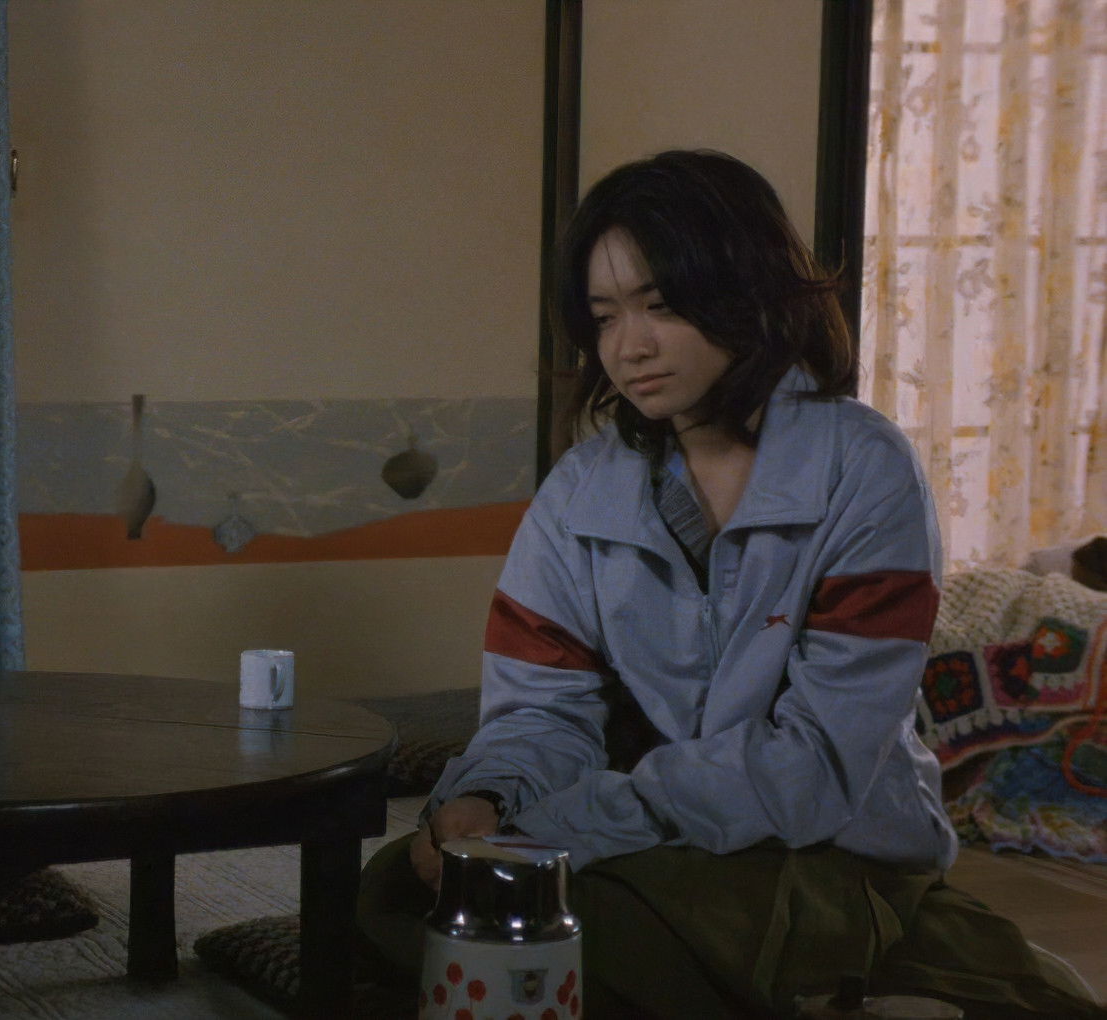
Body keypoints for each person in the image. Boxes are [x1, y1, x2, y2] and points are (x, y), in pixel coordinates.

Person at [356, 150, 1105, 1018]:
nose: (628, 346)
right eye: (603, 318)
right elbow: (538, 711)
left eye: (660, 306)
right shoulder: (581, 491)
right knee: (394, 889)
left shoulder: (859, 469)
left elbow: (817, 760)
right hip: (657, 836)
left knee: (576, 926)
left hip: (826, 846)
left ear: (745, 293)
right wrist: (484, 803)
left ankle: (884, 964)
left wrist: (568, 828)